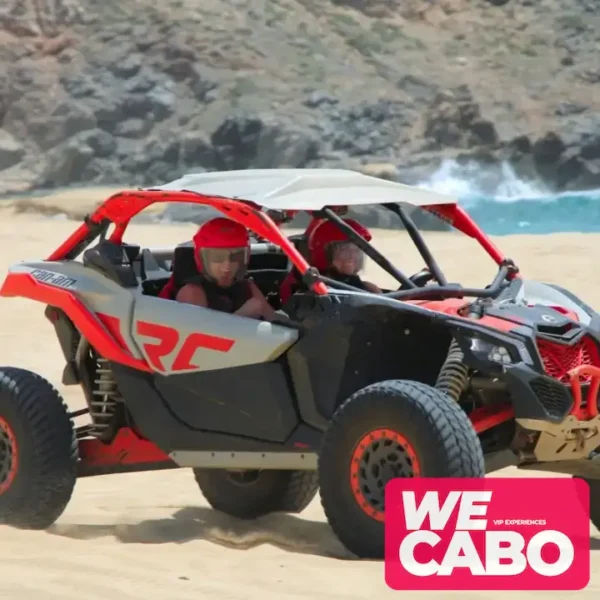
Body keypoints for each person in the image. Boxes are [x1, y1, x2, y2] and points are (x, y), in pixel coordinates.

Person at [175, 217, 276, 321]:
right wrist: (241, 316)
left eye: (235, 258)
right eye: (217, 258)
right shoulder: (193, 293)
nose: (227, 268)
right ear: (203, 259)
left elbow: (277, 323)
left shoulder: (248, 287)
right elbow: (195, 335)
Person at [308, 218, 382, 293]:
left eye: (356, 249)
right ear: (325, 253)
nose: (352, 256)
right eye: (344, 249)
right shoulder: (321, 291)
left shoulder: (369, 289)